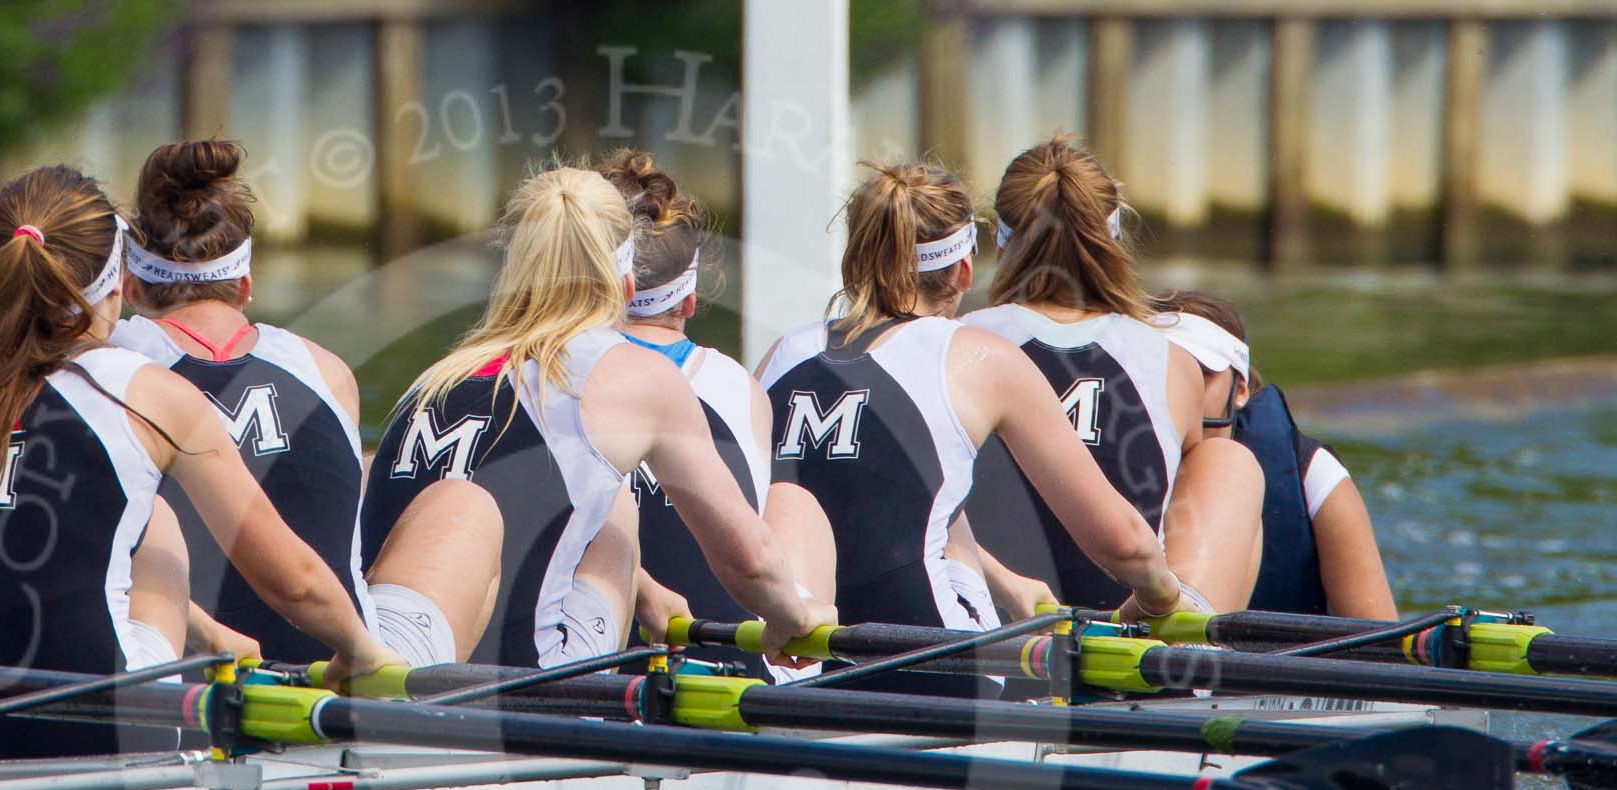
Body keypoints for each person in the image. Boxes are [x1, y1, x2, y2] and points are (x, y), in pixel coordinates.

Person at [0, 165, 395, 761]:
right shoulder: (143, 390)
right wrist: (362, 652)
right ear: (117, 284)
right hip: (113, 726)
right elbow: (291, 578)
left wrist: (208, 632)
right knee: (158, 525)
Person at [357, 165, 827, 670]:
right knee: (618, 507)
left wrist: (645, 589)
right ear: (624, 282)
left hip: (406, 658)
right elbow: (748, 560)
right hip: (523, 689)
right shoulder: (635, 374)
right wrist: (794, 619)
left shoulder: (436, 377)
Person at [756, 160, 1187, 694]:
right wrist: (1162, 597)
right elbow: (1122, 542)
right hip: (931, 662)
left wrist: (1007, 582)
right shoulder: (979, 357)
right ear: (963, 273)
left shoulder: (782, 353)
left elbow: (871, 500)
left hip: (791, 660)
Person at [963, 135, 1265, 615]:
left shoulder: (956, 342)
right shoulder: (1171, 362)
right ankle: (1195, 653)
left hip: (985, 629)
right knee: (1229, 462)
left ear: (999, 242)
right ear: (1115, 237)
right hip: (1124, 639)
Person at [111, 138, 372, 667]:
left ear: (131, 288)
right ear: (245, 285)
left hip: (175, 691)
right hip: (336, 677)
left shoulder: (101, 367)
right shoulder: (329, 371)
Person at [596, 147, 771, 676]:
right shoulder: (737, 388)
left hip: (585, 667)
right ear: (689, 301)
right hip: (724, 667)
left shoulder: (548, 373)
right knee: (792, 499)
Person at [1154, 290, 1397, 620]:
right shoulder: (1108, 463)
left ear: (1239, 390)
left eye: (1201, 374)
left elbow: (1381, 639)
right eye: (1164, 373)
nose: (1181, 392)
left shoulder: (1314, 476)